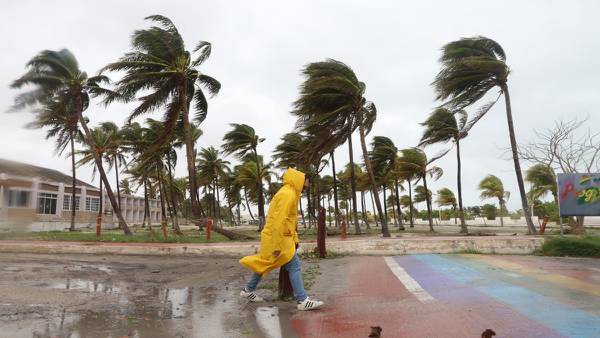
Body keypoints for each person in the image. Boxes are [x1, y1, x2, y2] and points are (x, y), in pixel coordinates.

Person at [239, 167, 324, 311]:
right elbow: (279, 220)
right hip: (278, 239)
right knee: (294, 266)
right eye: (307, 183)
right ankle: (302, 300)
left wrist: (295, 239)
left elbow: (290, 221)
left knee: (265, 263)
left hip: (278, 237)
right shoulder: (288, 195)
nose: (307, 187)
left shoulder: (289, 192)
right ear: (302, 180)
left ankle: (248, 290)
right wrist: (277, 245)